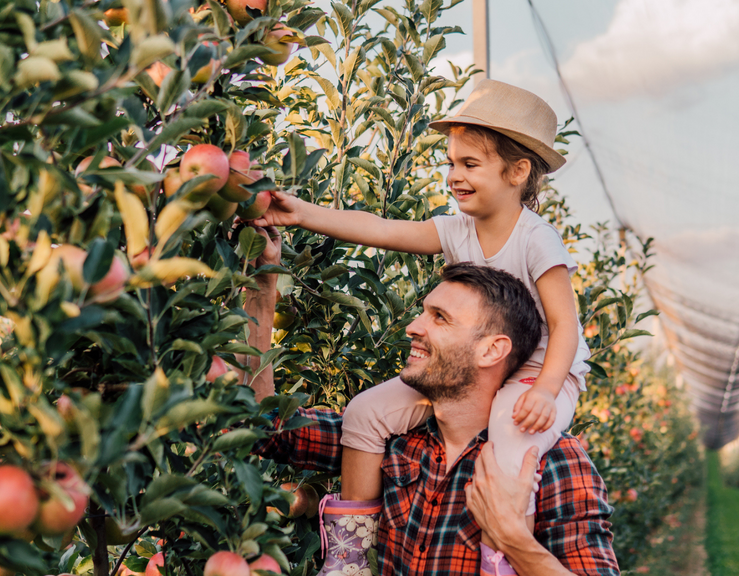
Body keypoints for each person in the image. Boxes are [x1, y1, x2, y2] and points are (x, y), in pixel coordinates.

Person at [250, 79, 591, 568]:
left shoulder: (537, 240)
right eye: (451, 162)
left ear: (517, 172)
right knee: (365, 413)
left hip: (540, 370)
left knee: (509, 439)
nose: (454, 175)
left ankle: (501, 557)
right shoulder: (456, 230)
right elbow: (380, 228)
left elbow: (565, 326)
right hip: (474, 368)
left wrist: (546, 390)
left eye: (470, 164)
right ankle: (350, 556)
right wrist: (302, 214)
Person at [242, 230, 617, 575]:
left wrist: (514, 540)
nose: (414, 327)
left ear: (492, 350)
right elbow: (259, 425)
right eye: (424, 311)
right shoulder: (392, 437)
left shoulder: (552, 465)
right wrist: (262, 286)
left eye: (440, 318)